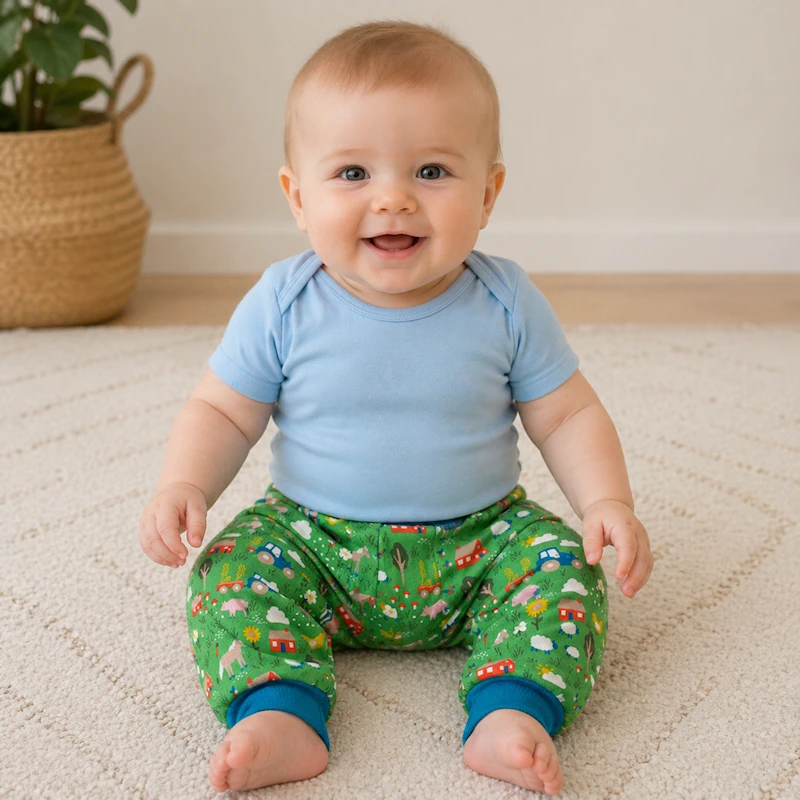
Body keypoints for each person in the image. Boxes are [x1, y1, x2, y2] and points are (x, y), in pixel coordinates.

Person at [139, 19, 653, 796]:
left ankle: (512, 711)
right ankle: (279, 710)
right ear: (296, 196)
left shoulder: (505, 299)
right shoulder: (283, 301)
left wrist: (605, 501)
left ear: (488, 193)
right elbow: (222, 411)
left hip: (481, 542)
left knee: (563, 572)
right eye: (351, 173)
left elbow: (567, 414)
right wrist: (186, 486)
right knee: (229, 572)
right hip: (310, 539)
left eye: (432, 171)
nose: (393, 198)